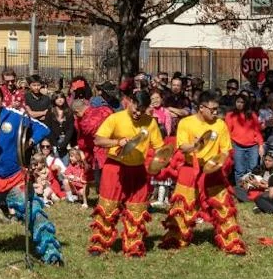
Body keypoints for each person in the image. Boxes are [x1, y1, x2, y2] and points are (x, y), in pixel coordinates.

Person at [0, 84, 63, 264]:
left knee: (34, 211)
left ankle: (51, 254)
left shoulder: (14, 116)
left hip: (15, 177)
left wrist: (30, 141)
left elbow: (43, 129)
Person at [160, 92, 246, 255]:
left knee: (224, 206)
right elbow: (182, 146)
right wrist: (195, 145)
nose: (215, 112)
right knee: (182, 207)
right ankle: (176, 238)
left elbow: (226, 150)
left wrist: (220, 163)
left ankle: (231, 242)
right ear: (201, 107)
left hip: (212, 170)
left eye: (216, 109)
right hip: (189, 169)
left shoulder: (220, 124)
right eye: (212, 109)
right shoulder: (186, 123)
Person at [90, 90, 164, 257]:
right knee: (108, 207)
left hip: (137, 169)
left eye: (142, 110)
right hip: (115, 167)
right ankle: (100, 244)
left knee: (137, 208)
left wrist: (160, 161)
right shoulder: (116, 118)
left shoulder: (150, 122)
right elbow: (98, 140)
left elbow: (159, 147)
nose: (138, 113)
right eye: (136, 108)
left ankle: (133, 245)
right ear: (129, 101)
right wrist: (117, 141)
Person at [225, 92, 263, 183]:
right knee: (239, 171)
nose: (240, 104)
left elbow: (257, 131)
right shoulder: (230, 115)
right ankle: (240, 192)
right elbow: (227, 132)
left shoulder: (252, 115)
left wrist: (261, 145)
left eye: (242, 102)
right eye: (238, 102)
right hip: (237, 146)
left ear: (246, 104)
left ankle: (251, 190)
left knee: (252, 170)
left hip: (253, 146)